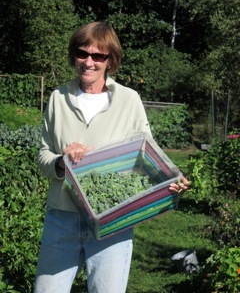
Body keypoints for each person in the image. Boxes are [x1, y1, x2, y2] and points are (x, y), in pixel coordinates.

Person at [34, 21, 188, 293]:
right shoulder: (58, 98)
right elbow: (43, 155)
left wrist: (170, 180)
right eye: (82, 53)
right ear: (74, 55)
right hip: (62, 218)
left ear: (110, 61)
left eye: (98, 56)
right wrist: (61, 161)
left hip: (113, 221)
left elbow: (147, 154)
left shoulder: (129, 100)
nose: (88, 62)